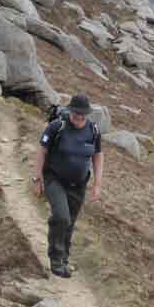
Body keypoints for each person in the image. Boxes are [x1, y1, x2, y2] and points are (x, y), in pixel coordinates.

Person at [32, 94, 103, 278]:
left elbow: (97, 155)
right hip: (54, 179)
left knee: (69, 223)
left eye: (83, 115)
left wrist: (97, 183)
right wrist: (37, 178)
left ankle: (63, 258)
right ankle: (56, 261)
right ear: (70, 111)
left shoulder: (93, 131)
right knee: (62, 217)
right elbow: (42, 150)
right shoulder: (57, 126)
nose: (79, 117)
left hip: (78, 185)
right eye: (76, 113)